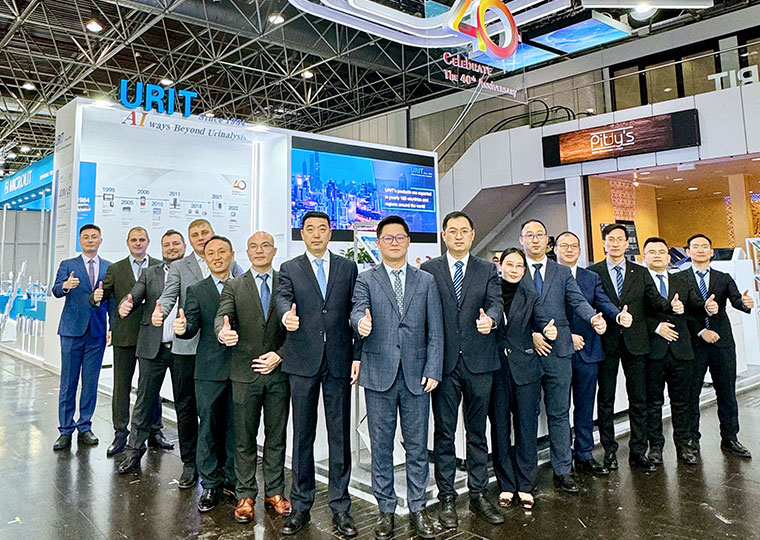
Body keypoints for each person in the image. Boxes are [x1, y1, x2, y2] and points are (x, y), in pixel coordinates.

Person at [351, 215, 443, 540]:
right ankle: (385, 510)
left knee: (417, 447)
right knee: (381, 447)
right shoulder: (366, 279)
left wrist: (433, 368)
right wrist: (360, 323)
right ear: (378, 242)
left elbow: (436, 330)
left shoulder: (426, 280)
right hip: (379, 374)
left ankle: (418, 508)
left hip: (418, 376)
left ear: (408, 241)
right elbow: (357, 310)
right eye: (387, 238)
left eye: (399, 237)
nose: (394, 242)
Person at [275, 212, 359, 537]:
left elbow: (355, 308)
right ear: (302, 233)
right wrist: (286, 316)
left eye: (322, 229)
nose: (316, 234)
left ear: (330, 233)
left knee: (340, 436)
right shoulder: (290, 268)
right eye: (310, 229)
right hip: (302, 361)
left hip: (338, 360)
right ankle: (300, 505)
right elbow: (283, 298)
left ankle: (341, 507)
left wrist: (357, 354)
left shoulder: (347, 267)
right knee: (303, 435)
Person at [420, 211, 504, 527]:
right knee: (444, 433)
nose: (458, 236)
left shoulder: (487, 269)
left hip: (479, 362)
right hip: (443, 365)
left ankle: (478, 493)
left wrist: (490, 320)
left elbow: (496, 303)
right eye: (452, 231)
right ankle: (446, 497)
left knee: (477, 431)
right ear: (444, 235)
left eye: (463, 231)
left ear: (472, 234)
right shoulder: (429, 269)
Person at [518, 219, 606, 493]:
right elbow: (509, 311)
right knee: (527, 415)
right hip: (527, 353)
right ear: (522, 240)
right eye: (529, 235)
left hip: (559, 352)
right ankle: (527, 475)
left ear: (548, 241)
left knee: (559, 412)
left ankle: (563, 470)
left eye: (540, 234)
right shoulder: (515, 269)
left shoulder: (562, 271)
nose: (535, 239)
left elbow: (577, 300)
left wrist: (593, 318)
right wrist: (531, 334)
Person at [588, 224, 683, 473]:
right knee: (606, 399)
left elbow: (654, 301)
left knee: (638, 398)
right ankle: (609, 451)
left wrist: (671, 306)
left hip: (637, 343)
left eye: (620, 239)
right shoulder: (593, 272)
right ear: (604, 243)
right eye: (611, 239)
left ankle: (638, 451)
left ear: (627, 243)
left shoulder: (640, 272)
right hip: (606, 342)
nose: (615, 243)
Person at [215, 232, 292, 523]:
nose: (259, 251)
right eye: (253, 246)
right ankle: (245, 494)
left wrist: (280, 355)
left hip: (278, 374)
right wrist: (222, 333)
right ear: (246, 252)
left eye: (265, 246)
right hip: (244, 374)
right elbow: (222, 318)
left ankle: (275, 492)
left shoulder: (287, 283)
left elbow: (297, 327)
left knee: (277, 437)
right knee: (244, 438)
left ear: (274, 250)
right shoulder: (234, 285)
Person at [116, 230, 198, 489]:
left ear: (184, 245)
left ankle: (190, 461)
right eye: (167, 245)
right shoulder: (149, 273)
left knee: (186, 404)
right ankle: (133, 450)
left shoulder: (194, 270)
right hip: (154, 346)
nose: (171, 248)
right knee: (144, 399)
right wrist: (127, 303)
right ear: (161, 249)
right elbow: (135, 294)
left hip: (184, 348)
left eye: (176, 244)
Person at [90, 226, 171, 456]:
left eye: (142, 239)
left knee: (151, 387)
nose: (138, 243)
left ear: (148, 242)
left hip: (152, 335)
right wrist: (95, 297)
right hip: (124, 335)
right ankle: (120, 433)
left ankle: (155, 431)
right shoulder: (116, 269)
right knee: (121, 386)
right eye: (134, 240)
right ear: (127, 242)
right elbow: (102, 295)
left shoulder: (160, 266)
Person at [553, 231, 625, 476]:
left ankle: (584, 454)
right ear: (556, 249)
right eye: (564, 245)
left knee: (585, 406)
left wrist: (617, 315)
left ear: (580, 250)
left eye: (574, 246)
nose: (569, 250)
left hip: (588, 351)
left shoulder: (591, 277)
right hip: (558, 351)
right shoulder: (548, 275)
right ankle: (562, 458)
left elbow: (602, 302)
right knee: (559, 408)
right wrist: (567, 337)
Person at [489, 248, 556, 511]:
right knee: (500, 430)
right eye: (510, 264)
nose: (514, 270)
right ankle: (506, 484)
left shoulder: (531, 295)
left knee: (526, 429)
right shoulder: (490, 291)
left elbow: (542, 321)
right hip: (496, 370)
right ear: (500, 266)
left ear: (525, 270)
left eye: (519, 266)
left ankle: (526, 484)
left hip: (526, 369)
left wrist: (547, 330)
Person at [173, 236, 237, 512]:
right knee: (208, 427)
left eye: (222, 251)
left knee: (236, 429)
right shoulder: (197, 290)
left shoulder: (244, 285)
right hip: (208, 370)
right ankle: (210, 484)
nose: (217, 257)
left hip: (239, 369)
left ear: (232, 254)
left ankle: (232, 479)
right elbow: (191, 327)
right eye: (211, 253)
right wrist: (182, 328)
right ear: (205, 258)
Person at [681, 233, 754, 458]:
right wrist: (701, 331)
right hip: (694, 343)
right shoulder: (680, 279)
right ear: (688, 252)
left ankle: (730, 438)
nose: (700, 250)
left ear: (712, 252)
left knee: (727, 392)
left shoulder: (723, 277)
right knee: (691, 394)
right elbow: (681, 312)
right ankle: (692, 439)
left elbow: (736, 300)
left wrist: (745, 303)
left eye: (705, 246)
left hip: (722, 343)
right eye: (695, 247)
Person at [642, 237, 703, 466]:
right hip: (653, 351)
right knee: (653, 403)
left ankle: (684, 445)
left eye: (661, 252)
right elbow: (635, 314)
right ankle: (656, 447)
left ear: (669, 257)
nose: (657, 255)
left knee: (682, 402)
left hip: (681, 350)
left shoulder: (682, 280)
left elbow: (695, 306)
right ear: (644, 257)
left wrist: (706, 307)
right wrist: (656, 327)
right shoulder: (638, 281)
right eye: (652, 252)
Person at [51, 224, 111, 451]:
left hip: (96, 332)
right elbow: (56, 290)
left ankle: (85, 426)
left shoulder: (109, 267)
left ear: (100, 240)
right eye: (86, 237)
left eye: (94, 237)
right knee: (68, 382)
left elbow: (112, 300)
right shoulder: (68, 265)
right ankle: (65, 429)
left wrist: (112, 327)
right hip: (71, 331)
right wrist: (66, 286)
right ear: (80, 240)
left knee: (90, 382)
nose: (90, 240)